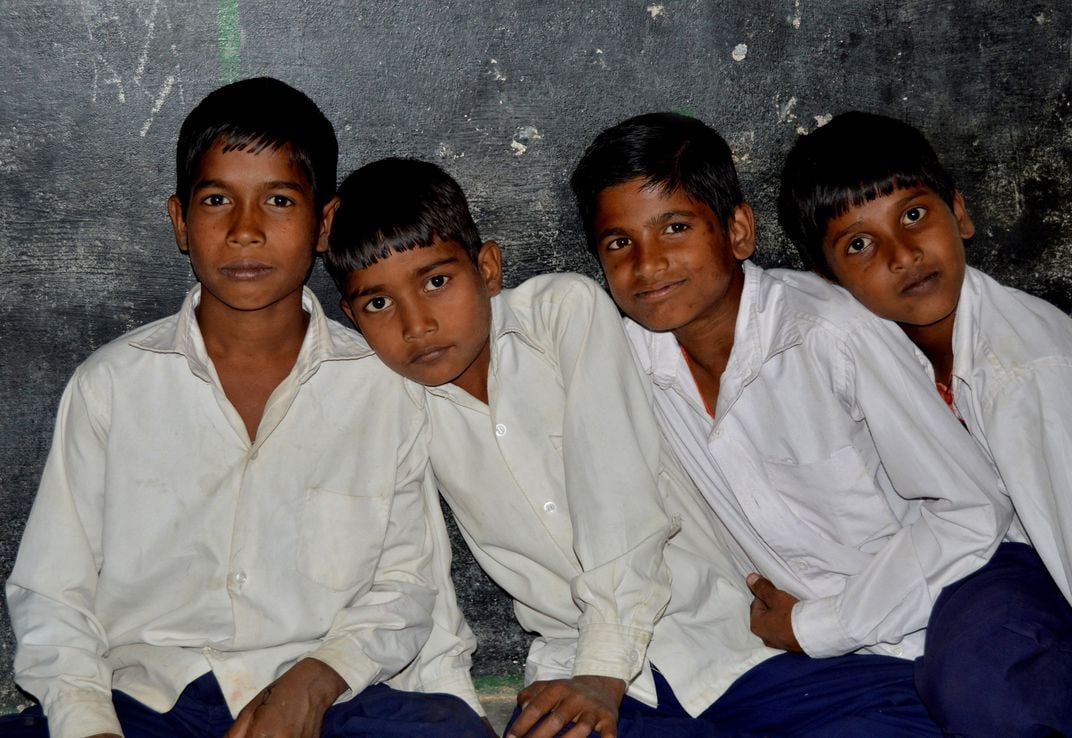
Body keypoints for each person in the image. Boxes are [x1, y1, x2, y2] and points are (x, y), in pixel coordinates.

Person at [323, 156, 945, 737]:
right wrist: (457, 709)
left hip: (725, 643)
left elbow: (617, 500)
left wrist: (604, 669)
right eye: (378, 303)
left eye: (435, 281)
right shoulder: (394, 399)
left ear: (487, 268)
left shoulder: (560, 315)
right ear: (353, 318)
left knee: (903, 720)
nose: (416, 324)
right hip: (574, 671)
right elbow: (416, 568)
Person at [2, 77, 487, 738]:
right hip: (149, 701)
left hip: (333, 698)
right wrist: (90, 727)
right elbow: (53, 596)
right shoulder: (111, 387)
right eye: (216, 200)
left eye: (279, 200)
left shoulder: (381, 387)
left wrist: (315, 682)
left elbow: (405, 588)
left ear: (323, 224)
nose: (245, 231)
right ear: (180, 221)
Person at [568, 112, 1040, 733]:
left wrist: (821, 625)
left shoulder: (832, 335)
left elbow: (972, 512)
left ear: (738, 231)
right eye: (619, 243)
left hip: (961, 611)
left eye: (675, 228)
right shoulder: (625, 362)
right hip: (830, 664)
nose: (648, 264)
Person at [777, 109, 1072, 735]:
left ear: (959, 214)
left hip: (1036, 565)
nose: (903, 253)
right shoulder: (861, 354)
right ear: (829, 282)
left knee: (980, 681)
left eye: (914, 215)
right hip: (977, 564)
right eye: (859, 244)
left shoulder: (1027, 371)